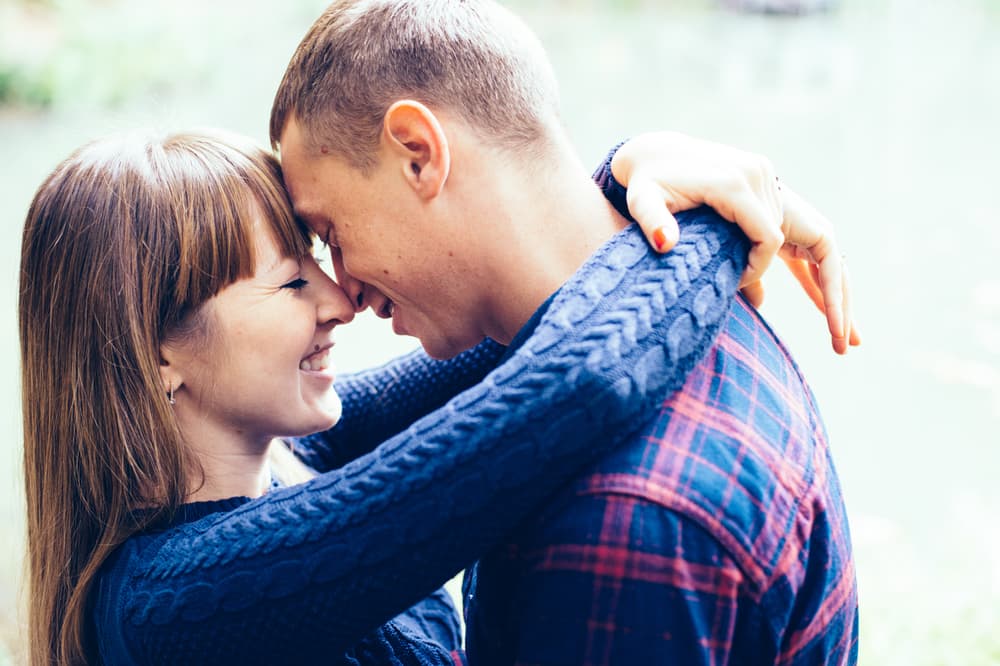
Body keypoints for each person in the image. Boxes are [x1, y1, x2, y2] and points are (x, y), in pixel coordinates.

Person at [21, 125, 820, 666]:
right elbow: (573, 390)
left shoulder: (294, 455)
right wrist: (725, 227)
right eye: (292, 281)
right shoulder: (167, 605)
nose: (339, 301)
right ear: (157, 354)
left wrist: (622, 178)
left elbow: (525, 320)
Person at [269, 1, 859, 664]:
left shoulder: (614, 523)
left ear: (418, 154)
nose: (342, 289)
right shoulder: (689, 295)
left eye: (331, 234)